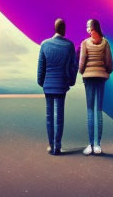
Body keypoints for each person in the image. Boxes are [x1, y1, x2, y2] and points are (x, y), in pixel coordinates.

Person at [37, 18, 78, 155]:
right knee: (59, 116)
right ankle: (58, 146)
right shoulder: (69, 45)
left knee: (49, 116)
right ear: (64, 30)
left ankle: (51, 145)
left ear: (54, 29)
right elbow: (73, 67)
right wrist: (71, 81)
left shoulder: (44, 44)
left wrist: (41, 82)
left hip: (48, 84)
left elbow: (41, 67)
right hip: (61, 84)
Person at [79, 18, 113, 155]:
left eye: (88, 26)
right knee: (98, 111)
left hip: (88, 78)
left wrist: (83, 71)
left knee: (90, 111)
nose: (87, 28)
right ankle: (98, 145)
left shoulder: (84, 43)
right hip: (100, 78)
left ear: (93, 28)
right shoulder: (105, 43)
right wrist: (103, 70)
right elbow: (110, 64)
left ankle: (90, 144)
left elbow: (81, 65)